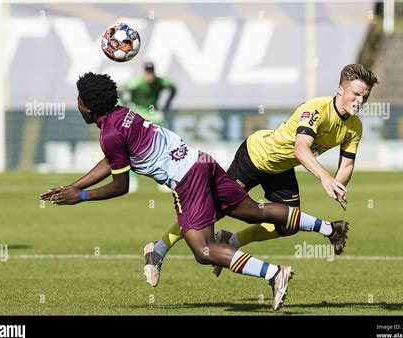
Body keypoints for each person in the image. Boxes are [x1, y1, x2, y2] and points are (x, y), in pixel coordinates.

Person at [39, 72, 347, 311]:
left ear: (89, 106)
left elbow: (120, 186)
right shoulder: (122, 114)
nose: (77, 103)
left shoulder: (109, 133)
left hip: (186, 179)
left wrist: (79, 197)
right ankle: (328, 227)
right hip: (202, 161)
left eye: (79, 99)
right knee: (257, 212)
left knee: (204, 251)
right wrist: (74, 185)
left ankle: (273, 273)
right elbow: (113, 161)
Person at [143, 63, 378, 284]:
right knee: (211, 210)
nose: (359, 101)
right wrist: (325, 178)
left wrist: (338, 184)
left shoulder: (354, 127)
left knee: (289, 225)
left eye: (364, 97)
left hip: (281, 168)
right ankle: (158, 249)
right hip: (255, 156)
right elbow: (301, 147)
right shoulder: (316, 109)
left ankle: (231, 240)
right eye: (355, 94)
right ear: (340, 89)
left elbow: (346, 164)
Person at [118, 62, 177, 192]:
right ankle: (131, 179)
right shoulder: (136, 82)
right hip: (138, 115)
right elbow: (121, 89)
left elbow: (173, 88)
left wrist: (167, 103)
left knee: (163, 145)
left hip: (154, 115)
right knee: (132, 147)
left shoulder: (161, 82)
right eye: (148, 71)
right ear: (144, 72)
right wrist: (126, 104)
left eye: (151, 71)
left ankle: (165, 179)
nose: (150, 75)